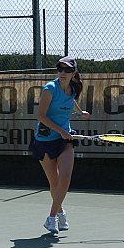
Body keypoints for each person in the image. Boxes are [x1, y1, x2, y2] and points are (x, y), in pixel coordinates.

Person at [29, 56, 91, 234]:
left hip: (65, 140)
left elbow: (70, 100)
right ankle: (61, 212)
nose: (63, 73)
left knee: (65, 178)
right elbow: (41, 116)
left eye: (67, 70)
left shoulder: (73, 88)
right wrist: (61, 131)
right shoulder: (50, 89)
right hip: (45, 140)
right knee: (54, 182)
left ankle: (51, 218)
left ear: (73, 73)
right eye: (60, 69)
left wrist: (80, 112)